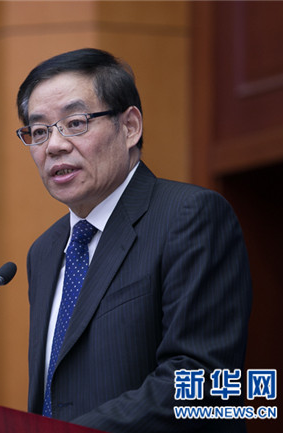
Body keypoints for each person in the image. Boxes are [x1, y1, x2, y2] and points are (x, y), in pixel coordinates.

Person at [16, 48, 252, 432]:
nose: (54, 145)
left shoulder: (188, 216)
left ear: (129, 127)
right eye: (39, 131)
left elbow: (200, 379)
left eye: (75, 123)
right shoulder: (44, 252)